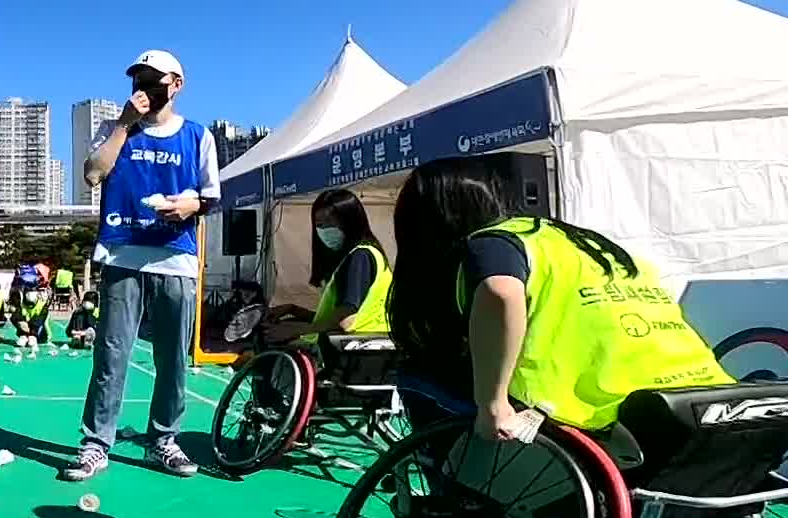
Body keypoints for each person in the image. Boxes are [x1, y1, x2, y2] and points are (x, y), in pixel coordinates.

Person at [386, 157, 733, 441]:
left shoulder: (493, 243)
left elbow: (500, 293)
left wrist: (493, 405)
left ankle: (450, 492)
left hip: (591, 411)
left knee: (415, 376)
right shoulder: (581, 242)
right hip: (699, 397)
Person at [65, 48, 220, 481]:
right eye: (137, 79)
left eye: (153, 79)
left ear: (176, 84)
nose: (143, 87)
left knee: (172, 358)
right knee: (111, 353)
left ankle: (164, 440)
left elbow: (211, 194)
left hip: (175, 256)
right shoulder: (116, 128)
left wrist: (189, 205)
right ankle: (95, 445)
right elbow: (93, 173)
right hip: (121, 251)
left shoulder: (197, 136)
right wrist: (122, 125)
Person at [257, 188, 391, 346]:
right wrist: (293, 309)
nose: (325, 230)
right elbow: (330, 319)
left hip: (357, 353)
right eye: (320, 224)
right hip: (365, 345)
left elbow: (346, 319)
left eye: (331, 223)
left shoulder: (360, 257)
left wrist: (297, 330)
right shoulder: (363, 254)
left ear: (350, 221)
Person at [8, 264, 53, 346]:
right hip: (24, 329)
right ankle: (23, 336)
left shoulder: (43, 304)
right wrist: (20, 322)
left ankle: (33, 337)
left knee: (34, 338)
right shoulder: (19, 300)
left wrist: (32, 333)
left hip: (37, 331)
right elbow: (14, 316)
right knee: (20, 322)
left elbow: (40, 319)